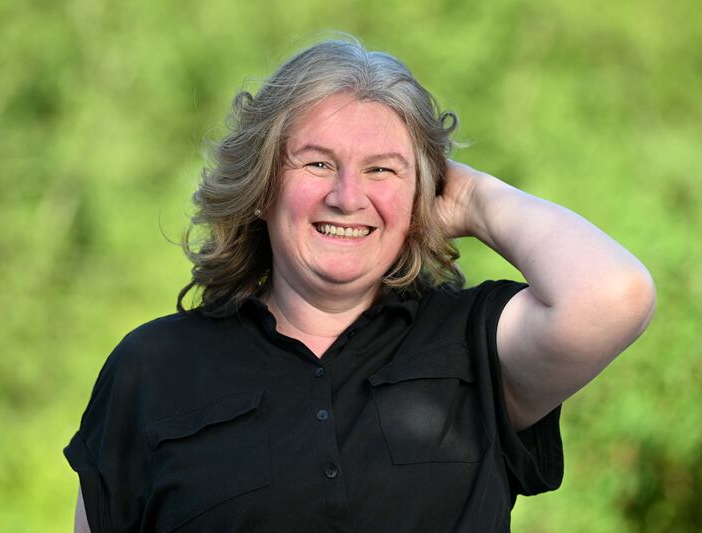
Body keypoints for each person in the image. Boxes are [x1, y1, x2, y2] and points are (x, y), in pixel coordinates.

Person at [65, 38, 656, 532]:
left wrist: (474, 199)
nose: (348, 197)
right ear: (263, 187)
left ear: (423, 194)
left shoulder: (475, 345)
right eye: (318, 163)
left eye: (382, 169)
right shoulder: (153, 368)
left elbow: (615, 294)